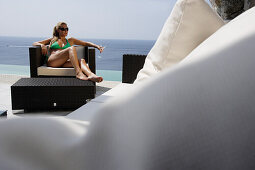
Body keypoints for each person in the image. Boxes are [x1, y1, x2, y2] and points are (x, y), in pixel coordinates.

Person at [33, 22, 104, 82]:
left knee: (81, 60)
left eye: (67, 29)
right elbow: (35, 43)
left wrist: (97, 46)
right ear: (58, 30)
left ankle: (91, 75)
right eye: (63, 29)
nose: (65, 31)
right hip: (52, 62)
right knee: (71, 48)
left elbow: (85, 43)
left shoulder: (70, 40)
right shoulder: (53, 39)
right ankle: (78, 73)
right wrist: (42, 45)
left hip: (63, 63)